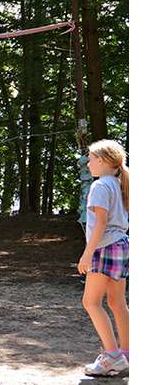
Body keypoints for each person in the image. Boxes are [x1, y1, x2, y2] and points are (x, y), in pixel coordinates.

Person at [78, 139, 129, 376]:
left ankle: (113, 357)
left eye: (91, 158)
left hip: (105, 248)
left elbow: (100, 222)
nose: (88, 163)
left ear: (103, 161)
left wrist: (88, 253)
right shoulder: (118, 184)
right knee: (117, 303)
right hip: (121, 246)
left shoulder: (100, 186)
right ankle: (128, 355)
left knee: (90, 302)